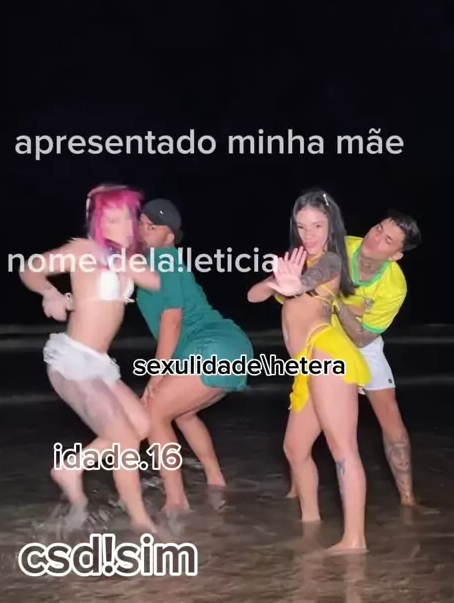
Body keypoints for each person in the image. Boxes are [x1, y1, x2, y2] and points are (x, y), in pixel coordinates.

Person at [19, 183, 161, 534]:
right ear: (97, 222)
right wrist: (50, 293)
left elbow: (154, 282)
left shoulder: (127, 258)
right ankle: (141, 523)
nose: (122, 226)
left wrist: (126, 260)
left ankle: (72, 467)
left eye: (127, 218)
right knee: (125, 441)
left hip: (99, 364)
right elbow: (30, 268)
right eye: (111, 219)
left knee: (141, 426)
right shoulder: (84, 250)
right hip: (72, 363)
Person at [247, 189, 371, 553]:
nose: (309, 234)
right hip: (306, 366)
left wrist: (296, 284)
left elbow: (314, 277)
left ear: (331, 225)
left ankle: (355, 540)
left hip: (326, 352)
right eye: (301, 226)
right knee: (294, 448)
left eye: (317, 225)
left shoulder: (330, 261)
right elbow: (253, 296)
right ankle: (310, 521)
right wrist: (276, 281)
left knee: (342, 448)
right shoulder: (296, 262)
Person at [285, 211, 422, 505]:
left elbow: (362, 337)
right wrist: (349, 307)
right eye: (378, 228)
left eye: (387, 240)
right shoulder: (340, 246)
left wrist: (335, 301)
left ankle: (408, 498)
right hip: (321, 335)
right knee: (305, 406)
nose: (375, 237)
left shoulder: (395, 287)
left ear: (396, 255)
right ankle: (296, 490)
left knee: (389, 413)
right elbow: (301, 289)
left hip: (361, 342)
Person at [135, 198, 254, 515]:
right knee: (183, 414)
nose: (143, 230)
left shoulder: (163, 259)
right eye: (141, 223)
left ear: (170, 236)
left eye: (152, 227)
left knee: (153, 412)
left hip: (213, 346)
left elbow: (172, 321)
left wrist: (157, 373)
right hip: (232, 348)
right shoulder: (152, 264)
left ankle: (176, 501)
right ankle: (216, 480)